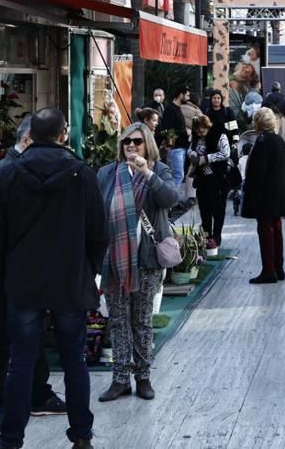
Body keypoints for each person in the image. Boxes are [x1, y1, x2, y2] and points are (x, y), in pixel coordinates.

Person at [0, 108, 107, 449]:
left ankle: (11, 438)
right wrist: (87, 270)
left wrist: (7, 273)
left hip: (24, 283)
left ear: (31, 135)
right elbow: (99, 233)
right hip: (70, 281)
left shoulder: (9, 175)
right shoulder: (82, 174)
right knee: (74, 361)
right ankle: (81, 435)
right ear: (64, 134)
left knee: (21, 361)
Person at [0, 116, 65, 429]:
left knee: (34, 330)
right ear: (30, 138)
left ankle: (38, 394)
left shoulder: (26, 167)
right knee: (4, 334)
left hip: (32, 270)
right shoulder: (6, 172)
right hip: (11, 272)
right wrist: (5, 270)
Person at [96, 123, 180, 403]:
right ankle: (120, 379)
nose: (131, 146)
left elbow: (170, 199)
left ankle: (143, 377)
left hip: (146, 260)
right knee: (118, 322)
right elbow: (97, 214)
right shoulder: (108, 173)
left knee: (142, 322)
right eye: (126, 142)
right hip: (115, 260)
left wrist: (147, 171)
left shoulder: (160, 171)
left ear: (148, 146)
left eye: (137, 142)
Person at [241, 108, 285, 283]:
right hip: (278, 193)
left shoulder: (262, 141)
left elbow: (258, 172)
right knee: (276, 230)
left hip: (265, 195)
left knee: (266, 232)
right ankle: (278, 267)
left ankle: (269, 270)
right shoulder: (278, 140)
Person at [188, 115, 232, 250]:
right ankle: (207, 235)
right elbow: (190, 149)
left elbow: (226, 153)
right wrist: (193, 155)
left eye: (202, 129)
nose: (200, 132)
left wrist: (207, 158)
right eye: (197, 130)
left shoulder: (219, 135)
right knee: (204, 209)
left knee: (218, 209)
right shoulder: (196, 137)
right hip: (202, 179)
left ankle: (216, 236)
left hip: (218, 178)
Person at [158, 86, 190, 188]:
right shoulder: (170, 109)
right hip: (175, 149)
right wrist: (185, 132)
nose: (188, 98)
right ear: (181, 94)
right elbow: (168, 130)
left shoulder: (176, 108)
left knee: (177, 175)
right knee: (178, 176)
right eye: (187, 95)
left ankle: (172, 200)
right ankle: (171, 201)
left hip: (180, 148)